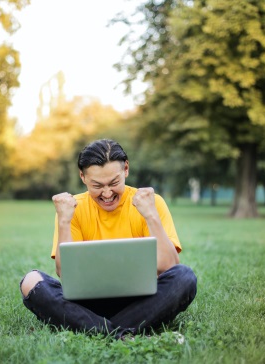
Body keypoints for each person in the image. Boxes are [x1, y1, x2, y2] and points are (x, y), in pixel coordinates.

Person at [19, 139, 197, 339]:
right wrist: (64, 221)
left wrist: (151, 216)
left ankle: (96, 329)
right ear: (82, 176)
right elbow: (64, 273)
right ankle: (121, 332)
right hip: (87, 303)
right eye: (97, 186)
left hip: (141, 302)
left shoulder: (150, 203)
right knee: (30, 281)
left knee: (184, 277)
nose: (107, 193)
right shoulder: (72, 208)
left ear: (126, 169)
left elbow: (170, 266)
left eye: (114, 183)